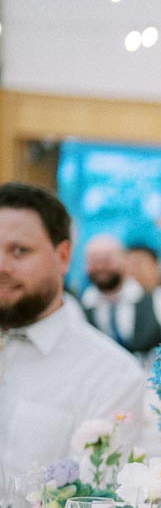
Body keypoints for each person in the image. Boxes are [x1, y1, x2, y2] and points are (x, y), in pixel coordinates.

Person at [0, 182, 144, 474]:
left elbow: (95, 497)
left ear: (63, 257)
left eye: (19, 251)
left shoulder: (111, 375)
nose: (2, 266)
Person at [81, 233, 161, 359]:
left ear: (124, 261)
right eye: (94, 261)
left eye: (107, 260)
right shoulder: (81, 306)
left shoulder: (156, 298)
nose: (101, 267)